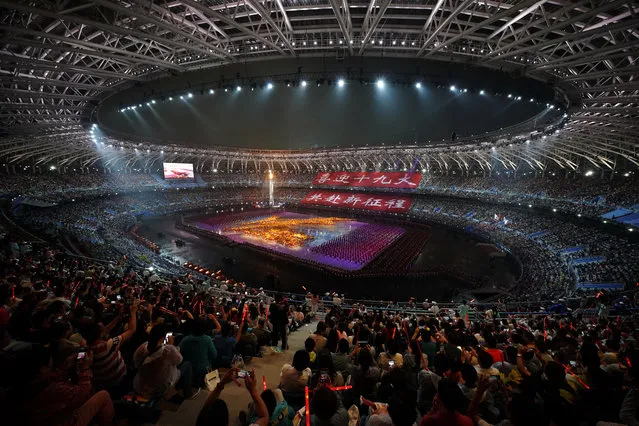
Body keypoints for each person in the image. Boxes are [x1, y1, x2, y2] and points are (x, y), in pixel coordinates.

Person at [81, 299, 140, 392]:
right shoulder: (107, 346)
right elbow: (132, 330)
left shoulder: (84, 350)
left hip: (102, 383)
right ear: (99, 334)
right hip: (119, 381)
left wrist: (118, 318)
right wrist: (133, 312)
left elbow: (105, 331)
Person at [133, 324, 196, 399]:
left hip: (140, 385)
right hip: (159, 387)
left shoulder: (143, 347)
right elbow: (179, 360)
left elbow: (135, 363)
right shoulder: (168, 350)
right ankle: (187, 393)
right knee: (187, 364)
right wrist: (171, 345)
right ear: (163, 337)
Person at [196, 368, 270, 426]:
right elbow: (265, 417)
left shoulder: (201, 421)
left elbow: (204, 411)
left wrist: (221, 384)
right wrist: (253, 390)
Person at [179, 318, 218, 386]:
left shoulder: (185, 339)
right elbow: (214, 355)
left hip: (188, 370)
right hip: (204, 369)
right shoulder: (207, 339)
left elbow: (179, 354)